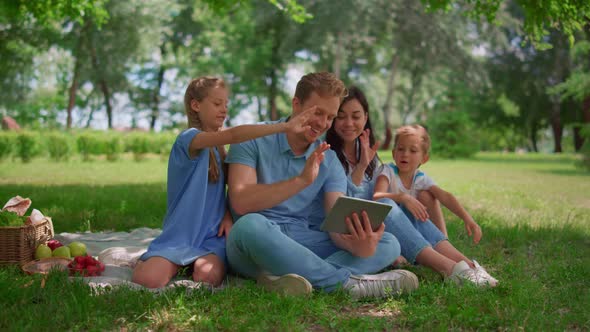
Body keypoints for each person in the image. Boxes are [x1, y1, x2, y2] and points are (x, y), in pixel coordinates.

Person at [224, 72, 419, 299]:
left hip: (302, 239)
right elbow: (241, 201)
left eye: (330, 117)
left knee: (389, 242)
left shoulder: (329, 160)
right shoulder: (253, 139)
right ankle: (346, 284)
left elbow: (335, 223)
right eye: (317, 112)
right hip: (254, 243)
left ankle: (285, 279)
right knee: (250, 225)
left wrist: (358, 246)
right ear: (296, 104)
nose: (323, 124)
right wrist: (300, 181)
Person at [132, 76, 313, 288]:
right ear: (195, 105)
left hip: (211, 237)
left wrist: (227, 215)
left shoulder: (220, 150)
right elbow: (235, 134)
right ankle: (148, 262)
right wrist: (284, 127)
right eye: (217, 104)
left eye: (226, 104)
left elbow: (228, 190)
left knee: (207, 277)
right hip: (181, 236)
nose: (224, 110)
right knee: (148, 280)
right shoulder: (188, 139)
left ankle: (190, 264)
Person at [314, 86, 497, 287]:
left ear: (365, 118)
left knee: (408, 211)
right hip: (349, 230)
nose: (349, 123)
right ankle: (449, 268)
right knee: (388, 204)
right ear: (332, 120)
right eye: (341, 117)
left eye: (356, 116)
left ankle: (468, 265)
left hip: (375, 224)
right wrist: (362, 168)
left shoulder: (366, 151)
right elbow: (343, 205)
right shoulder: (327, 153)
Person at [373, 124, 498, 286]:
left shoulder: (419, 178)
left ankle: (469, 266)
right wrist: (403, 197)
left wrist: (468, 219)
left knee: (421, 202)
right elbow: (377, 197)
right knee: (395, 205)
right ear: (393, 152)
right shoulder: (387, 170)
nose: (405, 154)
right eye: (401, 149)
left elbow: (444, 196)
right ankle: (451, 270)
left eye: (413, 150)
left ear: (424, 158)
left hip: (413, 236)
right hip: (390, 233)